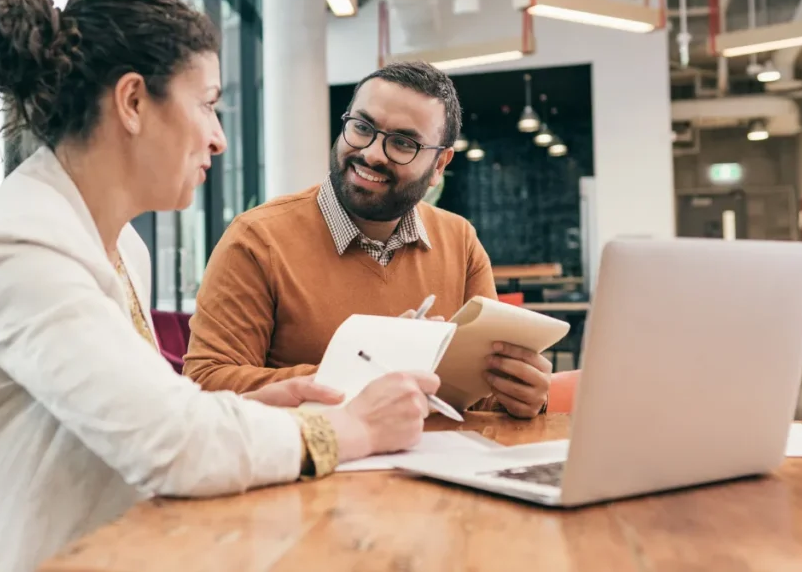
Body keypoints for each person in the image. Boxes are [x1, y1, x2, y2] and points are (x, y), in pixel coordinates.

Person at [0, 0, 441, 572]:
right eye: (206, 104)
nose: (219, 137)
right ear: (132, 102)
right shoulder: (19, 244)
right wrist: (349, 427)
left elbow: (137, 413)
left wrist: (270, 415)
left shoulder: (120, 244)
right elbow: (171, 445)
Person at [183, 61, 552, 419]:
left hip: (438, 469)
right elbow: (206, 384)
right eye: (362, 127)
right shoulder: (256, 239)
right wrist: (366, 369)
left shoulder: (460, 241)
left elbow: (476, 398)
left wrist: (521, 394)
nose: (372, 153)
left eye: (404, 143)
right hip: (316, 473)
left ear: (439, 165)